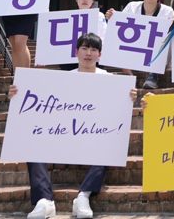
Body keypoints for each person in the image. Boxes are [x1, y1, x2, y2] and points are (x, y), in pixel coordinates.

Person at [8, 33, 138, 219]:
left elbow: (117, 116)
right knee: (31, 141)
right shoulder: (63, 80)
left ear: (99, 55)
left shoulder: (111, 80)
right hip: (63, 137)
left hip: (94, 139)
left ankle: (83, 195)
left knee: (112, 144)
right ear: (76, 52)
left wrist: (129, 97)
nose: (88, 53)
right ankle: (44, 201)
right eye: (84, 48)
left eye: (93, 49)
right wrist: (17, 93)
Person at [106, 0, 174, 89]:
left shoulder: (167, 10)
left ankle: (153, 75)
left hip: (154, 49)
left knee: (167, 40)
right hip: (135, 48)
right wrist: (112, 16)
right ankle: (130, 76)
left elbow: (166, 32)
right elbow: (120, 26)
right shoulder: (132, 6)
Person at [58, 0, 108, 71]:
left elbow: (103, 38)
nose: (85, 0)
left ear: (93, 0)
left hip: (92, 58)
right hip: (69, 59)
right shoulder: (67, 17)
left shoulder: (99, 16)